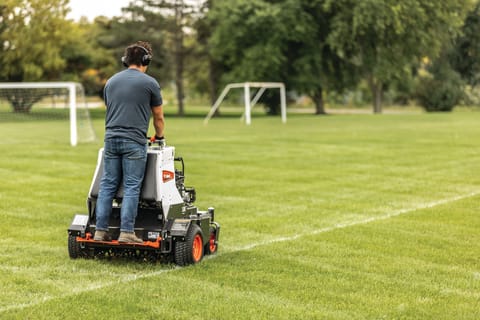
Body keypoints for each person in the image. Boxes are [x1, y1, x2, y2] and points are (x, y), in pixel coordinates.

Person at [94, 41, 165, 243]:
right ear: (146, 60)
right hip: (134, 141)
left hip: (111, 139)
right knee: (132, 186)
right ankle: (127, 232)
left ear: (125, 61)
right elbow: (158, 117)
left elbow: (113, 108)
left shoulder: (111, 82)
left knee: (107, 184)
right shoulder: (150, 83)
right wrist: (159, 137)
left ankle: (100, 231)